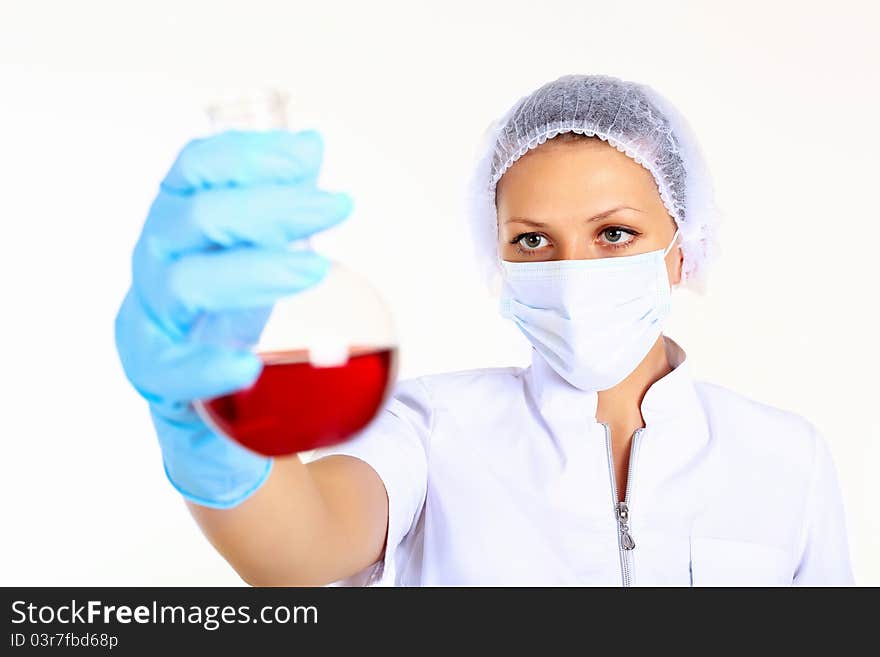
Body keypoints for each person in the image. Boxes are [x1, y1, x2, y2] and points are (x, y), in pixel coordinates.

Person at [115, 74, 854, 586]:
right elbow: (298, 547)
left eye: (615, 233)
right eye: (533, 240)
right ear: (496, 252)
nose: (572, 269)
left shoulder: (788, 457)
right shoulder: (430, 429)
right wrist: (204, 426)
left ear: (683, 246)